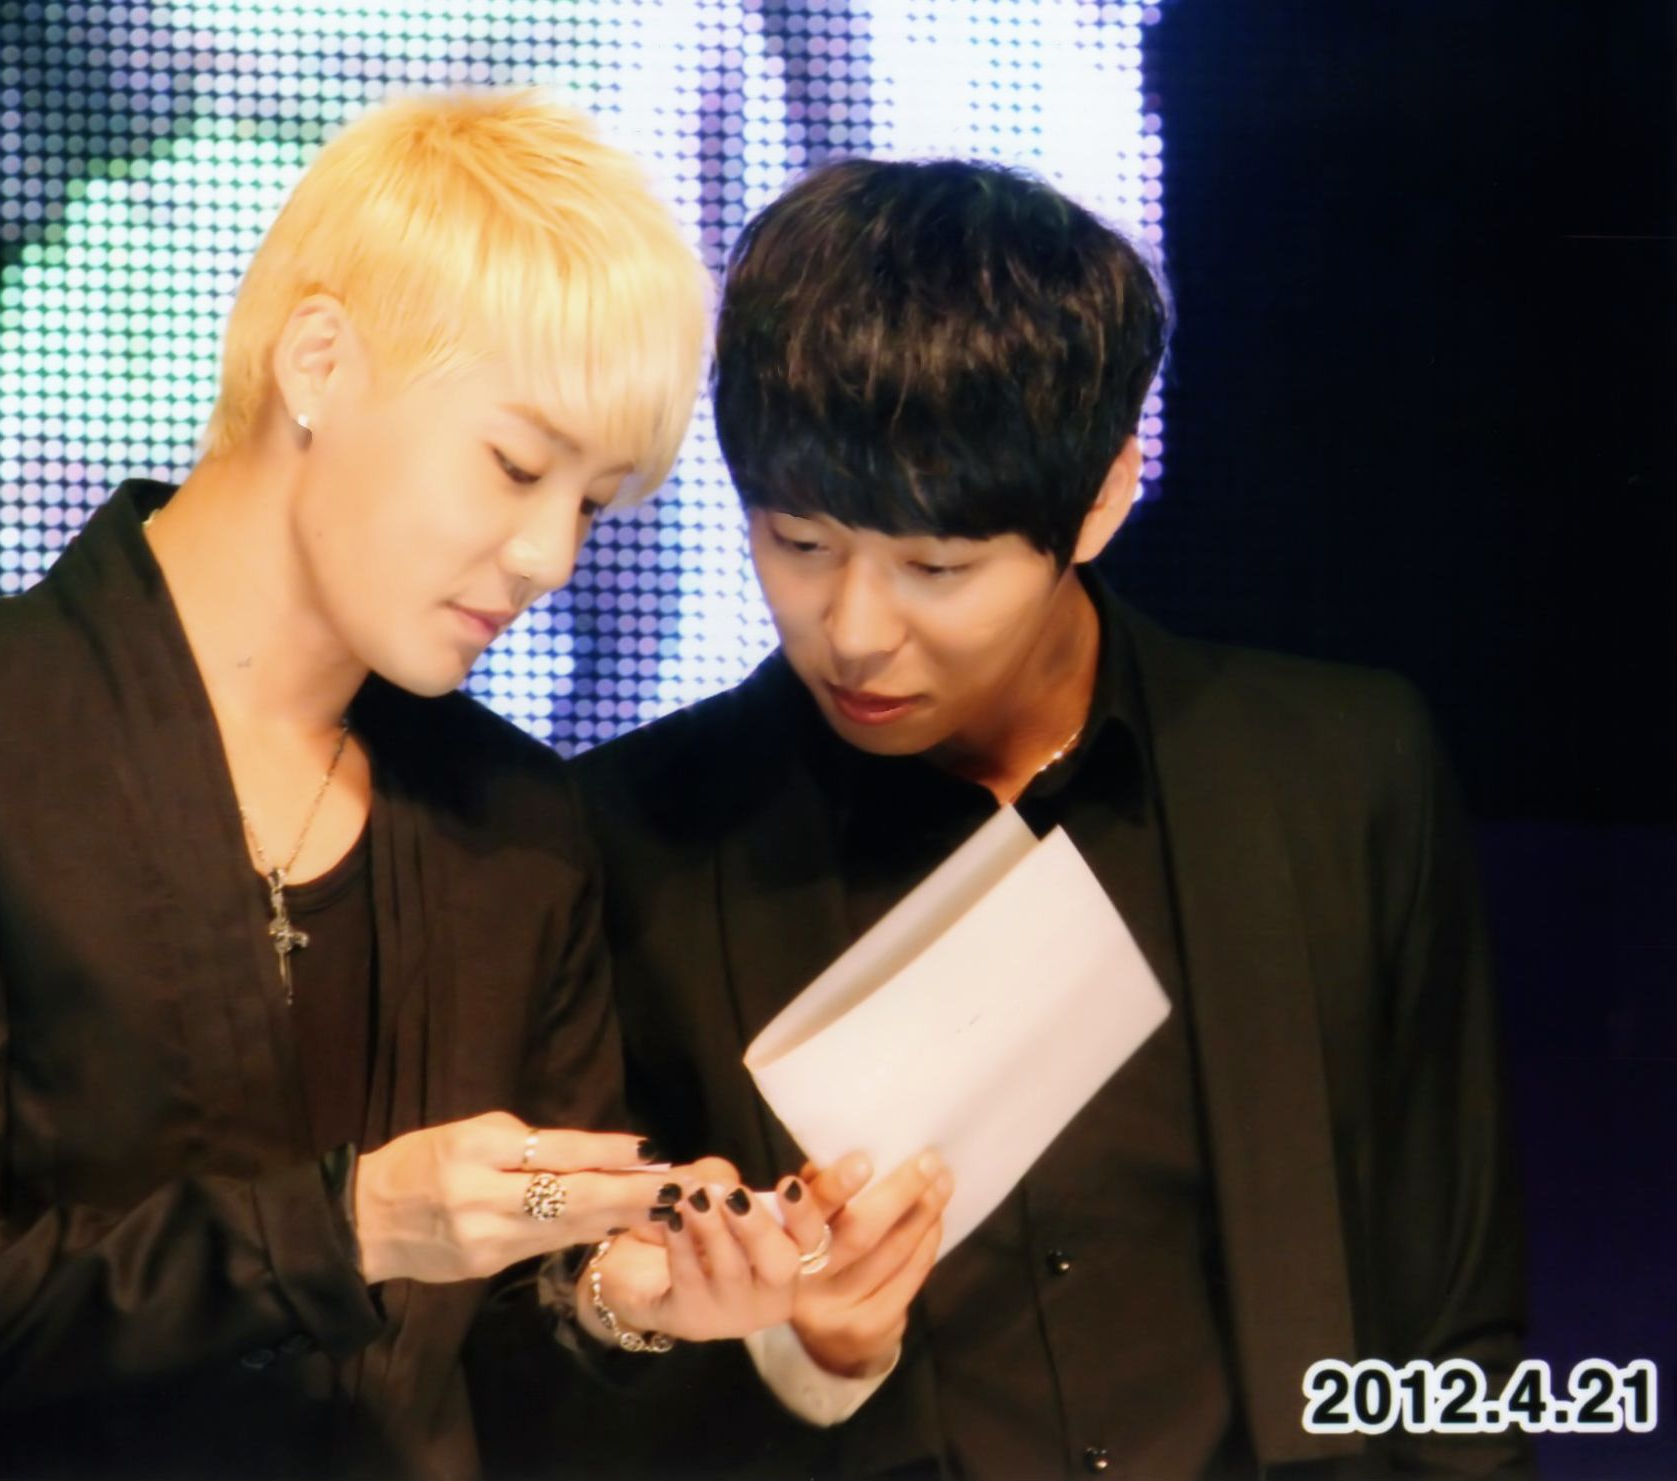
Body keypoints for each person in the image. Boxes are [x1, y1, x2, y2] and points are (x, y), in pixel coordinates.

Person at [0, 91, 806, 1479]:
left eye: (591, 505)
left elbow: (509, 1336)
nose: (549, 556)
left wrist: (622, 1298)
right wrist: (350, 1228)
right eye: (516, 465)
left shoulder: (520, 826)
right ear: (318, 360)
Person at [566, 158, 1529, 1477]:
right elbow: (552, 1364)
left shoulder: (1337, 774)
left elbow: (1453, 1325)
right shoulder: (633, 841)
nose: (854, 630)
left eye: (936, 566)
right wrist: (804, 1353)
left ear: (1102, 498)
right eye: (799, 543)